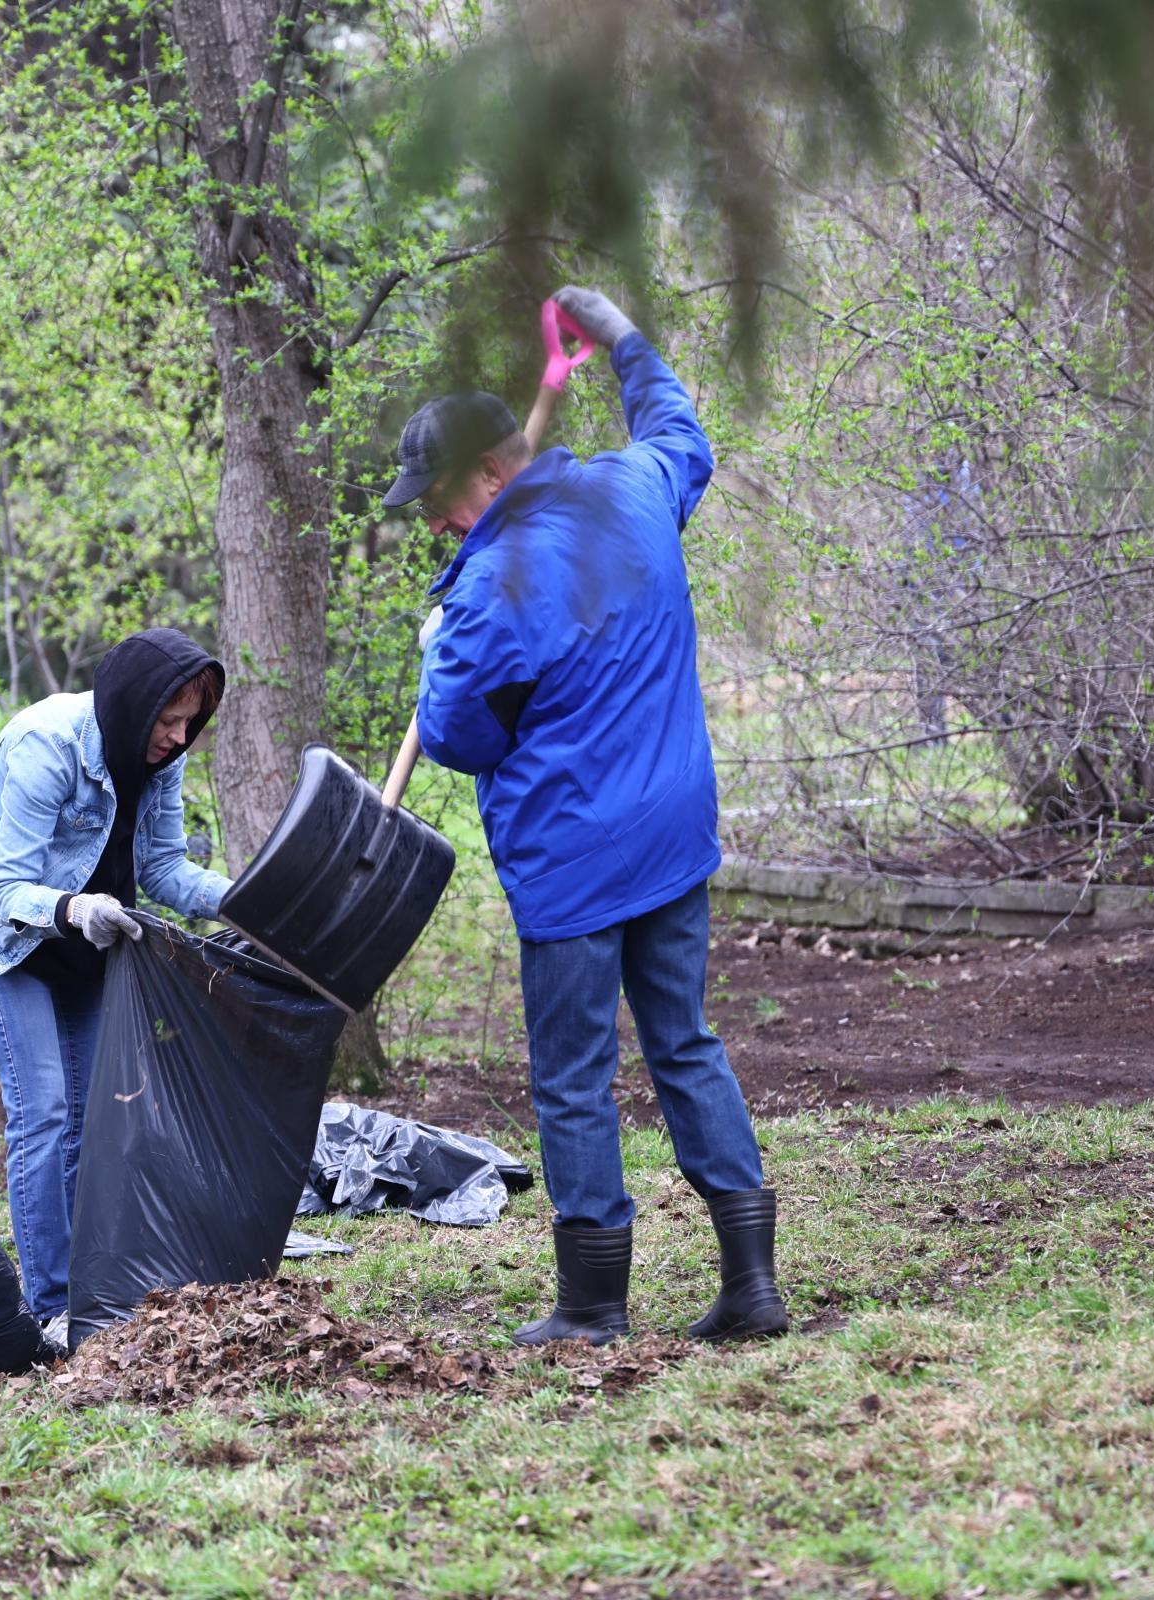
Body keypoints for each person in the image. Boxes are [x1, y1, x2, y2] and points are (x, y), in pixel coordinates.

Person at [384, 285, 788, 1347]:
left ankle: (592, 1305)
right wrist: (623, 342)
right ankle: (752, 1283)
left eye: (436, 498)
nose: (430, 520)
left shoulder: (484, 595)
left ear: (492, 470)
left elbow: (460, 734)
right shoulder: (635, 491)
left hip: (572, 861)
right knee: (684, 1042)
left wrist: (437, 653)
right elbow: (678, 430)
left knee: (571, 1075)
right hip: (672, 833)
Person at [0, 629, 232, 1332]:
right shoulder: (47, 744)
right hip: (1, 935)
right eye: (166, 719)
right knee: (42, 1109)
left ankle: (88, 1289)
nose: (176, 736)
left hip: (85, 939)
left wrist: (245, 897)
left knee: (93, 1116)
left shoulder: (163, 760)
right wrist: (73, 907)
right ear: (133, 704)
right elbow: (7, 887)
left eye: (189, 721)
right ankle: (50, 1307)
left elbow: (162, 869)